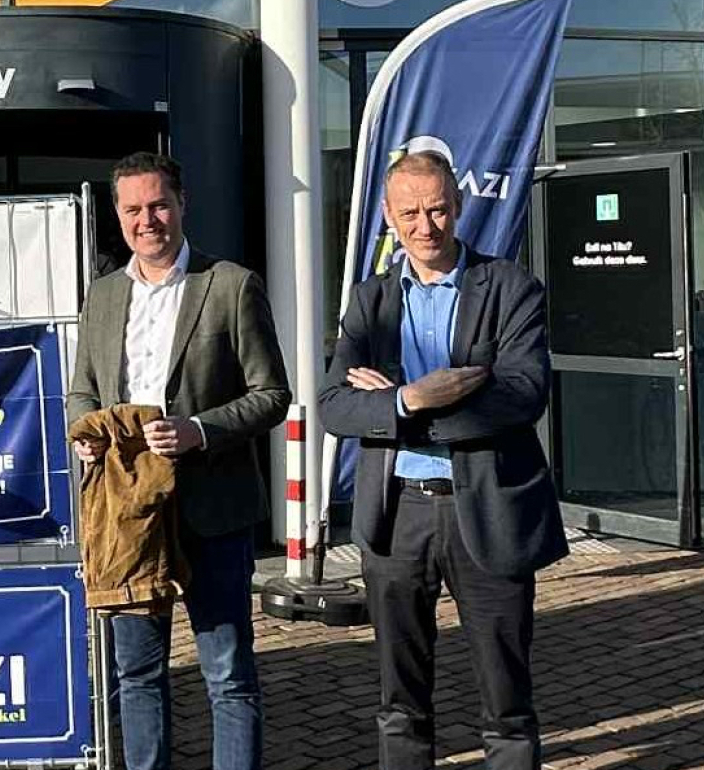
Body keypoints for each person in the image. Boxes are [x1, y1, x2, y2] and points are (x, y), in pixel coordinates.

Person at [318, 151, 566, 770]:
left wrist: (395, 407)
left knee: (506, 692)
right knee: (399, 693)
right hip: (396, 514)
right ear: (387, 215)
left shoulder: (510, 288)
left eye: (436, 210)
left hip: (486, 508)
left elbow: (522, 394)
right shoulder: (370, 301)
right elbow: (333, 406)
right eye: (409, 213)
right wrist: (415, 398)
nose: (424, 226)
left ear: (457, 206)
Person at [67, 152, 291, 770]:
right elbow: (83, 390)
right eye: (133, 210)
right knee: (137, 674)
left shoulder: (231, 285)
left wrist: (198, 431)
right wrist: (86, 433)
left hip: (212, 508)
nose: (147, 221)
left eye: (158, 205)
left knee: (227, 673)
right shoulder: (103, 295)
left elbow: (272, 394)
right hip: (129, 516)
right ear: (118, 215)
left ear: (182, 203)